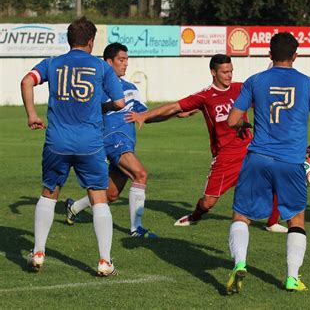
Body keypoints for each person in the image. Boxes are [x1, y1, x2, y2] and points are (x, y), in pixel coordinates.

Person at [125, 54, 287, 232]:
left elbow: (263, 93)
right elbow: (174, 108)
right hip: (225, 157)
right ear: (213, 72)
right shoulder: (205, 96)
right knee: (208, 202)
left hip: (249, 150)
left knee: (276, 179)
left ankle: (272, 222)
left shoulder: (241, 88)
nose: (229, 75)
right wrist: (144, 116)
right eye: (225, 72)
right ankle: (195, 216)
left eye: (231, 71)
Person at [20, 17, 125, 276]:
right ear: (91, 41)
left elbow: (26, 81)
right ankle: (104, 261)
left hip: (57, 141)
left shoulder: (53, 63)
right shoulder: (101, 67)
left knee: (49, 192)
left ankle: (39, 252)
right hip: (89, 143)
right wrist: (104, 107)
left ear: (70, 40)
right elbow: (121, 103)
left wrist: (32, 114)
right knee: (98, 198)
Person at [225, 32, 310, 294]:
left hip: (258, 157)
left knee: (242, 214)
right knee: (296, 218)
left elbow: (231, 120)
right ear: (295, 55)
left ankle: (239, 263)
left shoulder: (255, 80)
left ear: (269, 54)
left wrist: (244, 123)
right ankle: (292, 277)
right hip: (291, 160)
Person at [64, 42, 157, 239]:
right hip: (111, 139)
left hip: (126, 141)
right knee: (140, 174)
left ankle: (74, 207)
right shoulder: (98, 86)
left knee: (112, 194)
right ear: (108, 62)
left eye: (127, 60)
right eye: (121, 60)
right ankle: (136, 229)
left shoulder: (131, 88)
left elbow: (143, 114)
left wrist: (175, 111)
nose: (125, 64)